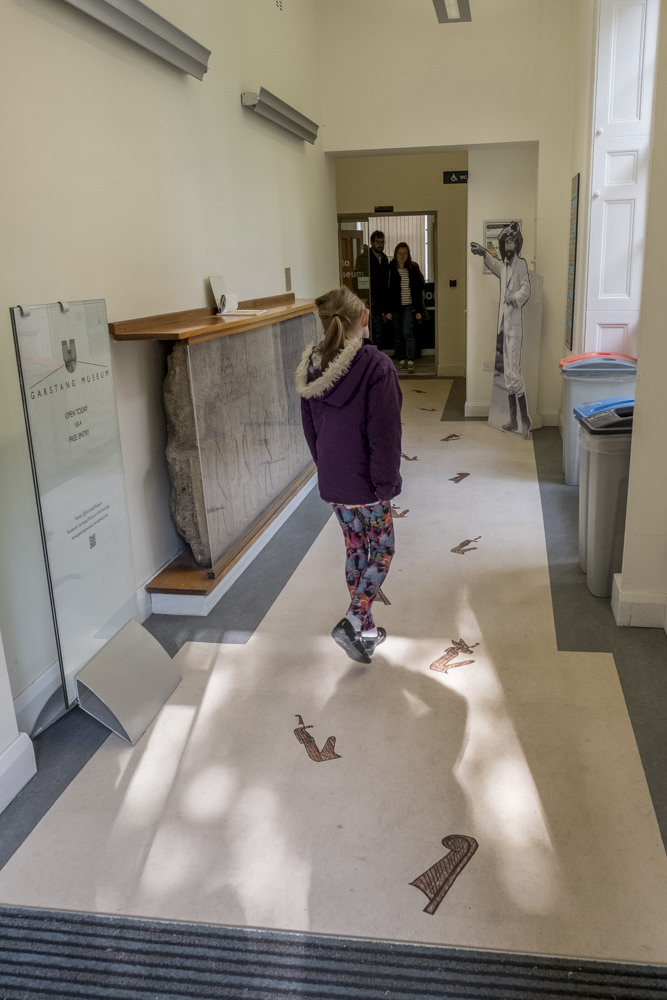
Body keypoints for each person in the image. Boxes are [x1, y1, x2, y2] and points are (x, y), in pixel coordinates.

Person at [295, 286, 403, 664]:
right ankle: (353, 618)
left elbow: (310, 429)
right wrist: (386, 485)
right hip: (369, 482)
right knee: (384, 549)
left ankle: (367, 632)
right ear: (365, 318)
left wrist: (327, 469)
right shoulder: (377, 367)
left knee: (356, 549)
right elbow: (385, 435)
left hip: (335, 480)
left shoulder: (312, 366)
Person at [470, 222, 532, 438]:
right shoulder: (504, 267)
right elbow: (494, 264)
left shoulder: (521, 265)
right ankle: (513, 420)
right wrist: (482, 252)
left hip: (514, 328)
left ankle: (524, 419)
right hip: (502, 328)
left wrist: (514, 298)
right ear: (503, 243)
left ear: (517, 243)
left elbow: (526, 288)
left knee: (514, 373)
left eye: (513, 240)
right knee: (507, 376)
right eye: (506, 240)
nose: (509, 244)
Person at [386, 242, 425, 371]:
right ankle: (401, 358)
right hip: (395, 307)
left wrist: (419, 310)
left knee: (408, 332)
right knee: (398, 334)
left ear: (408, 255)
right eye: (400, 253)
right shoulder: (390, 269)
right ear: (396, 254)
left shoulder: (412, 269)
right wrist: (387, 310)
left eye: (405, 253)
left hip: (409, 306)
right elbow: (386, 290)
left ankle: (411, 359)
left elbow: (417, 290)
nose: (402, 256)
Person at [354, 230, 390, 346]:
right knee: (369, 331)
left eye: (382, 242)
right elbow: (358, 279)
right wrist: (362, 297)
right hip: (368, 299)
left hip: (381, 300)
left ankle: (377, 358)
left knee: (380, 331)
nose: (380, 244)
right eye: (378, 242)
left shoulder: (384, 258)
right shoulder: (364, 258)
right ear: (372, 242)